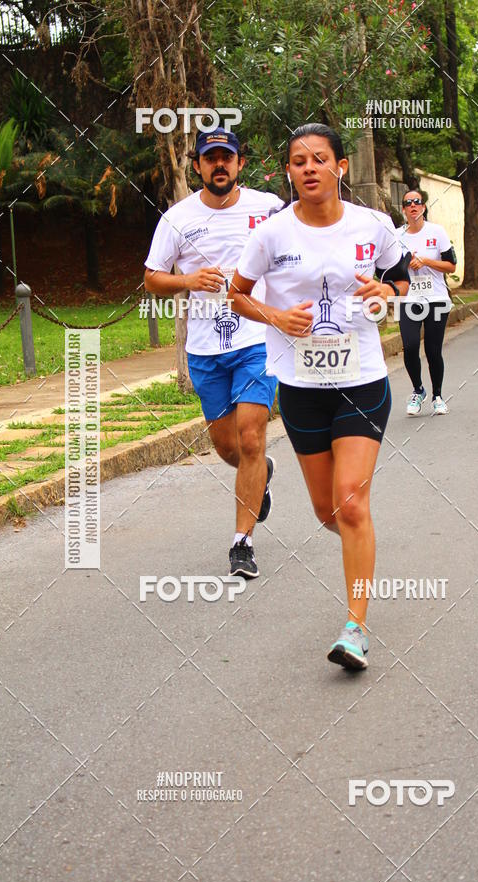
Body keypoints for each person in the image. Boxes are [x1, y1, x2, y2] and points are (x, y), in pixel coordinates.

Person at [227, 123, 410, 670]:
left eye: (319, 158)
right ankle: (361, 539)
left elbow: (401, 278)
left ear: (340, 168)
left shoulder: (373, 226)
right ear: (289, 172)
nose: (309, 168)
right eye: (298, 161)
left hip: (361, 380)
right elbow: (236, 295)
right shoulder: (271, 234)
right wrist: (275, 315)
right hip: (302, 390)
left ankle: (355, 627)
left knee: (351, 502)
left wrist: (387, 291)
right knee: (329, 511)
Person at [144, 128, 283, 579]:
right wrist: (189, 281)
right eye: (211, 158)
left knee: (249, 437)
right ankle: (260, 472)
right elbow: (152, 278)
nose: (219, 165)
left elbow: (301, 246)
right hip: (205, 349)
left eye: (228, 157)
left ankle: (241, 544)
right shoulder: (177, 219)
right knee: (228, 448)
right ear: (198, 166)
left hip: (256, 340)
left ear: (241, 163)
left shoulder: (268, 208)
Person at [396, 190, 457, 414]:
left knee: (433, 350)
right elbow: (389, 268)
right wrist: (405, 265)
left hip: (436, 298)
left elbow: (451, 266)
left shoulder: (437, 232)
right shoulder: (396, 236)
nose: (413, 206)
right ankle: (418, 389)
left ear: (423, 207)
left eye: (417, 202)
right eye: (408, 203)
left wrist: (426, 261)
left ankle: (437, 396)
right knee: (410, 346)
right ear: (403, 209)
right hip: (409, 298)